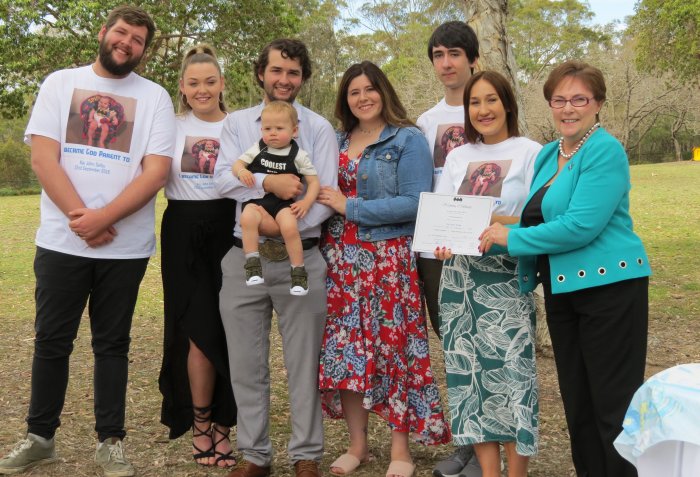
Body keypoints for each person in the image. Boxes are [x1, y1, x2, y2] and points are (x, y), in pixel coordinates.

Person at [0, 6, 174, 477]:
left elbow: (156, 171)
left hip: (125, 248)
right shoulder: (61, 83)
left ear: (143, 50)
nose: (127, 43)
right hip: (61, 242)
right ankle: (40, 438)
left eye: (137, 40)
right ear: (104, 32)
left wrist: (105, 218)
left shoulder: (155, 97)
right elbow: (44, 159)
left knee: (112, 344)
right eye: (122, 33)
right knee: (51, 341)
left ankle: (110, 442)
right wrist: (84, 219)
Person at [480, 60, 651, 477]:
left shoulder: (604, 150)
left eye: (579, 99)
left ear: (598, 104)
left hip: (610, 290)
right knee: (578, 403)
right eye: (559, 100)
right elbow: (537, 219)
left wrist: (509, 238)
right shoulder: (549, 154)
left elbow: (580, 225)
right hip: (562, 290)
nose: (568, 108)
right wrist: (484, 228)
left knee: (613, 406)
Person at [317, 61, 450, 477]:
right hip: (340, 262)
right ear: (346, 99)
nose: (363, 98)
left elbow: (416, 202)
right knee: (348, 353)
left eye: (370, 89)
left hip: (388, 260)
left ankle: (400, 450)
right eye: (354, 91)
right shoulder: (335, 139)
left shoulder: (407, 138)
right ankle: (358, 446)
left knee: (395, 353)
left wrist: (350, 206)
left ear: (384, 91)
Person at [213, 38, 338, 477]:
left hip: (300, 255)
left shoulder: (317, 128)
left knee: (303, 364)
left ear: (303, 78)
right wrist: (268, 184)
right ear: (260, 73)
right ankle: (255, 455)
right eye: (277, 70)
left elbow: (322, 196)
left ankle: (306, 455)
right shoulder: (237, 124)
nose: (284, 79)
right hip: (243, 258)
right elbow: (221, 180)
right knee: (246, 364)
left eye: (293, 72)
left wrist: (281, 223)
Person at [434, 71, 542, 477]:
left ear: (507, 103)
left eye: (491, 99)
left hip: (507, 275)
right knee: (471, 382)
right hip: (461, 278)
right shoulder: (458, 156)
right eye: (475, 102)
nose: (483, 109)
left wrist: (493, 221)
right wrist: (442, 239)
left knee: (514, 377)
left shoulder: (532, 152)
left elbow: (538, 216)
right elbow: (443, 212)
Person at [157, 44, 237, 469]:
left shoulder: (240, 125)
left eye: (209, 81)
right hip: (183, 231)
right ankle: (201, 421)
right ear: (183, 88)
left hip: (232, 229)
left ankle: (225, 423)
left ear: (222, 83)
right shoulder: (169, 126)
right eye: (193, 83)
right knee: (195, 330)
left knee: (230, 331)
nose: (202, 89)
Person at [415, 20, 483, 477]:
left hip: (485, 247)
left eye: (454, 53)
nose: (446, 63)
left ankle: (489, 447)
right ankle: (468, 443)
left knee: (485, 346)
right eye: (438, 55)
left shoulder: (489, 109)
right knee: (455, 347)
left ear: (473, 59)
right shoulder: (425, 122)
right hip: (436, 252)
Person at [232, 100, 320, 295]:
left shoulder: (298, 155)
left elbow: (314, 182)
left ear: (294, 131)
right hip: (257, 201)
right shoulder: (258, 148)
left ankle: (298, 272)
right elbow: (237, 164)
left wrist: (306, 202)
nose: (272, 133)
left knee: (289, 227)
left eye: (279, 128)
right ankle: (252, 264)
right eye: (267, 128)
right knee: (247, 218)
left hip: (282, 204)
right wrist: (241, 172)